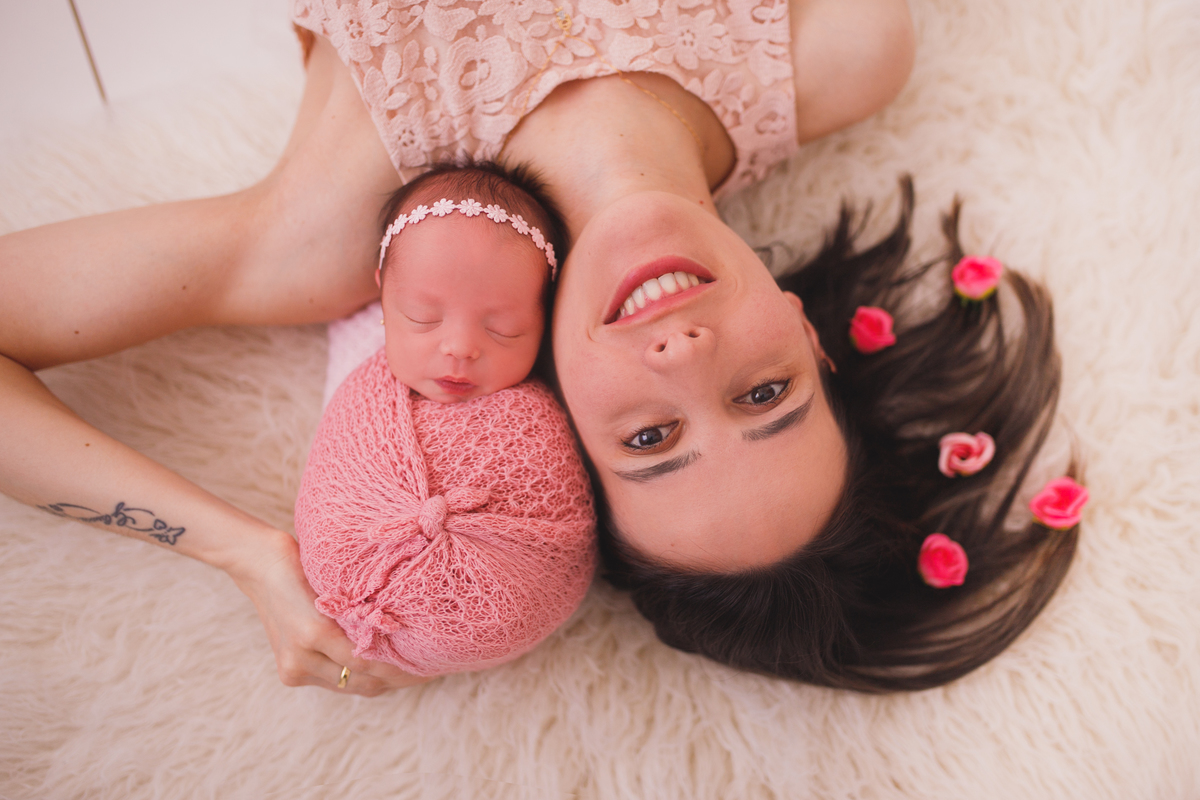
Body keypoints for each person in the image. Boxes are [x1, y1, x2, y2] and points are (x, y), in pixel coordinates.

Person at [3, 0, 1075, 696]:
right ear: (806, 331)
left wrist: (243, 552)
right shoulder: (842, 52)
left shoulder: (336, 236)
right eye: (763, 393)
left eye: (650, 437)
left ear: (558, 419)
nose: (683, 350)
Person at [294, 160, 595, 678]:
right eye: (423, 318)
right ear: (383, 297)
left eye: (504, 329)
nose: (459, 347)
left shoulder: (549, 401)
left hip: (510, 589)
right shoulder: (360, 355)